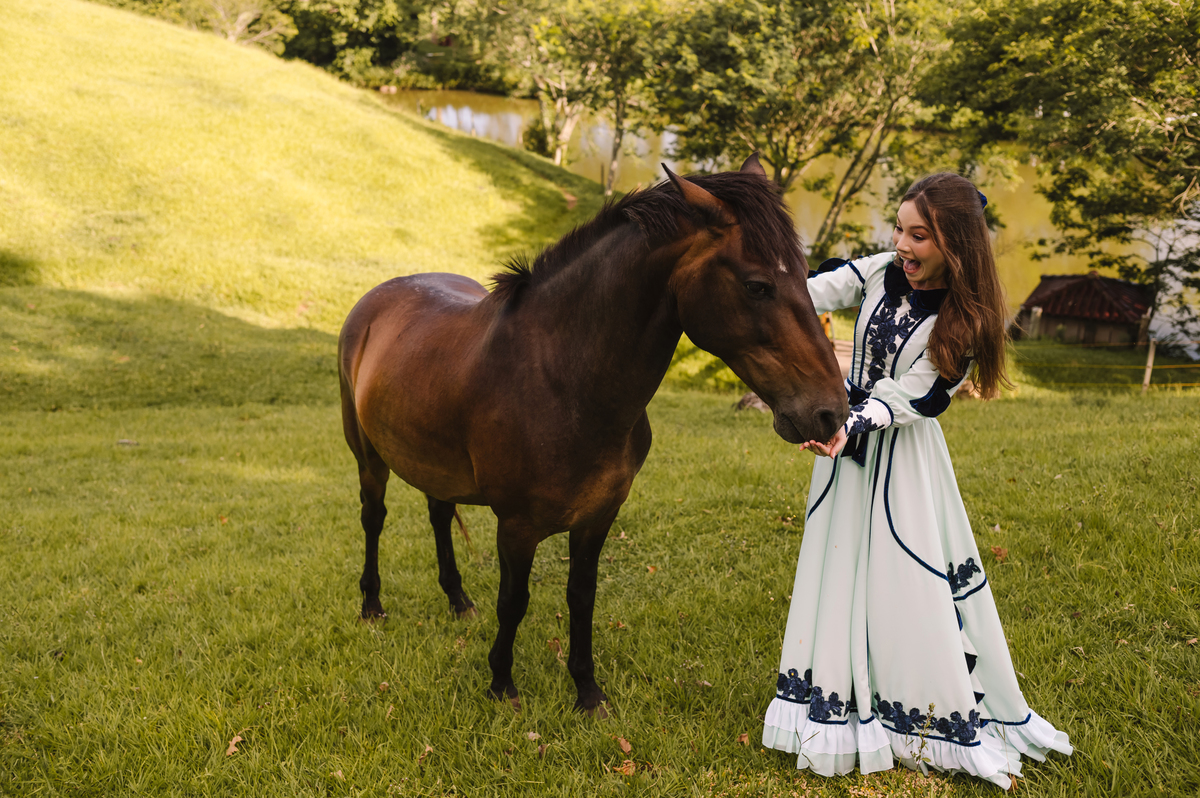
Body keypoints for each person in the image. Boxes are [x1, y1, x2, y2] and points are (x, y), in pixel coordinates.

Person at [762, 173, 1072, 788]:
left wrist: (849, 423)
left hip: (901, 459)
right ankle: (837, 696)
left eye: (919, 235)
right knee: (839, 567)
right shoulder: (881, 270)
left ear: (955, 243)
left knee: (902, 578)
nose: (902, 244)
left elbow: (917, 395)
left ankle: (913, 710)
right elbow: (805, 290)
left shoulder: (966, 320)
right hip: (844, 445)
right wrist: (757, 279)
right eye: (900, 229)